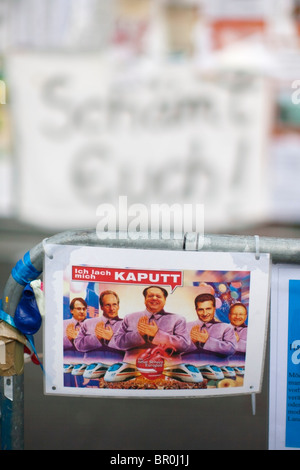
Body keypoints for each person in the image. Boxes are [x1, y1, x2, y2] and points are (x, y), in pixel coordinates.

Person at [114, 285, 190, 365]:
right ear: (145, 299)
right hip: (133, 368)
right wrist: (139, 335)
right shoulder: (129, 318)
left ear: (165, 300)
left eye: (158, 296)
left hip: (167, 370)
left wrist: (157, 334)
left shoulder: (178, 319)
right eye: (150, 296)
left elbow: (184, 346)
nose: (154, 298)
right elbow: (118, 342)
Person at [183, 293, 237, 366]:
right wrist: (192, 342)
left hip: (216, 373)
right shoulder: (185, 326)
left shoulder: (226, 328)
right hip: (189, 372)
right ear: (196, 310)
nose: (205, 313)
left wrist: (207, 341)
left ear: (214, 308)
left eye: (208, 309)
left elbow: (231, 350)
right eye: (201, 309)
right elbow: (174, 351)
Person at [74, 290, 124, 364]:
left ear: (118, 306)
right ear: (101, 307)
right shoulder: (88, 323)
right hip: (91, 371)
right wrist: (96, 338)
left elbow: (132, 348)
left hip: (116, 371)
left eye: (114, 304)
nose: (112, 308)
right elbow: (78, 345)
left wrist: (112, 338)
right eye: (108, 305)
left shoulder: (125, 324)